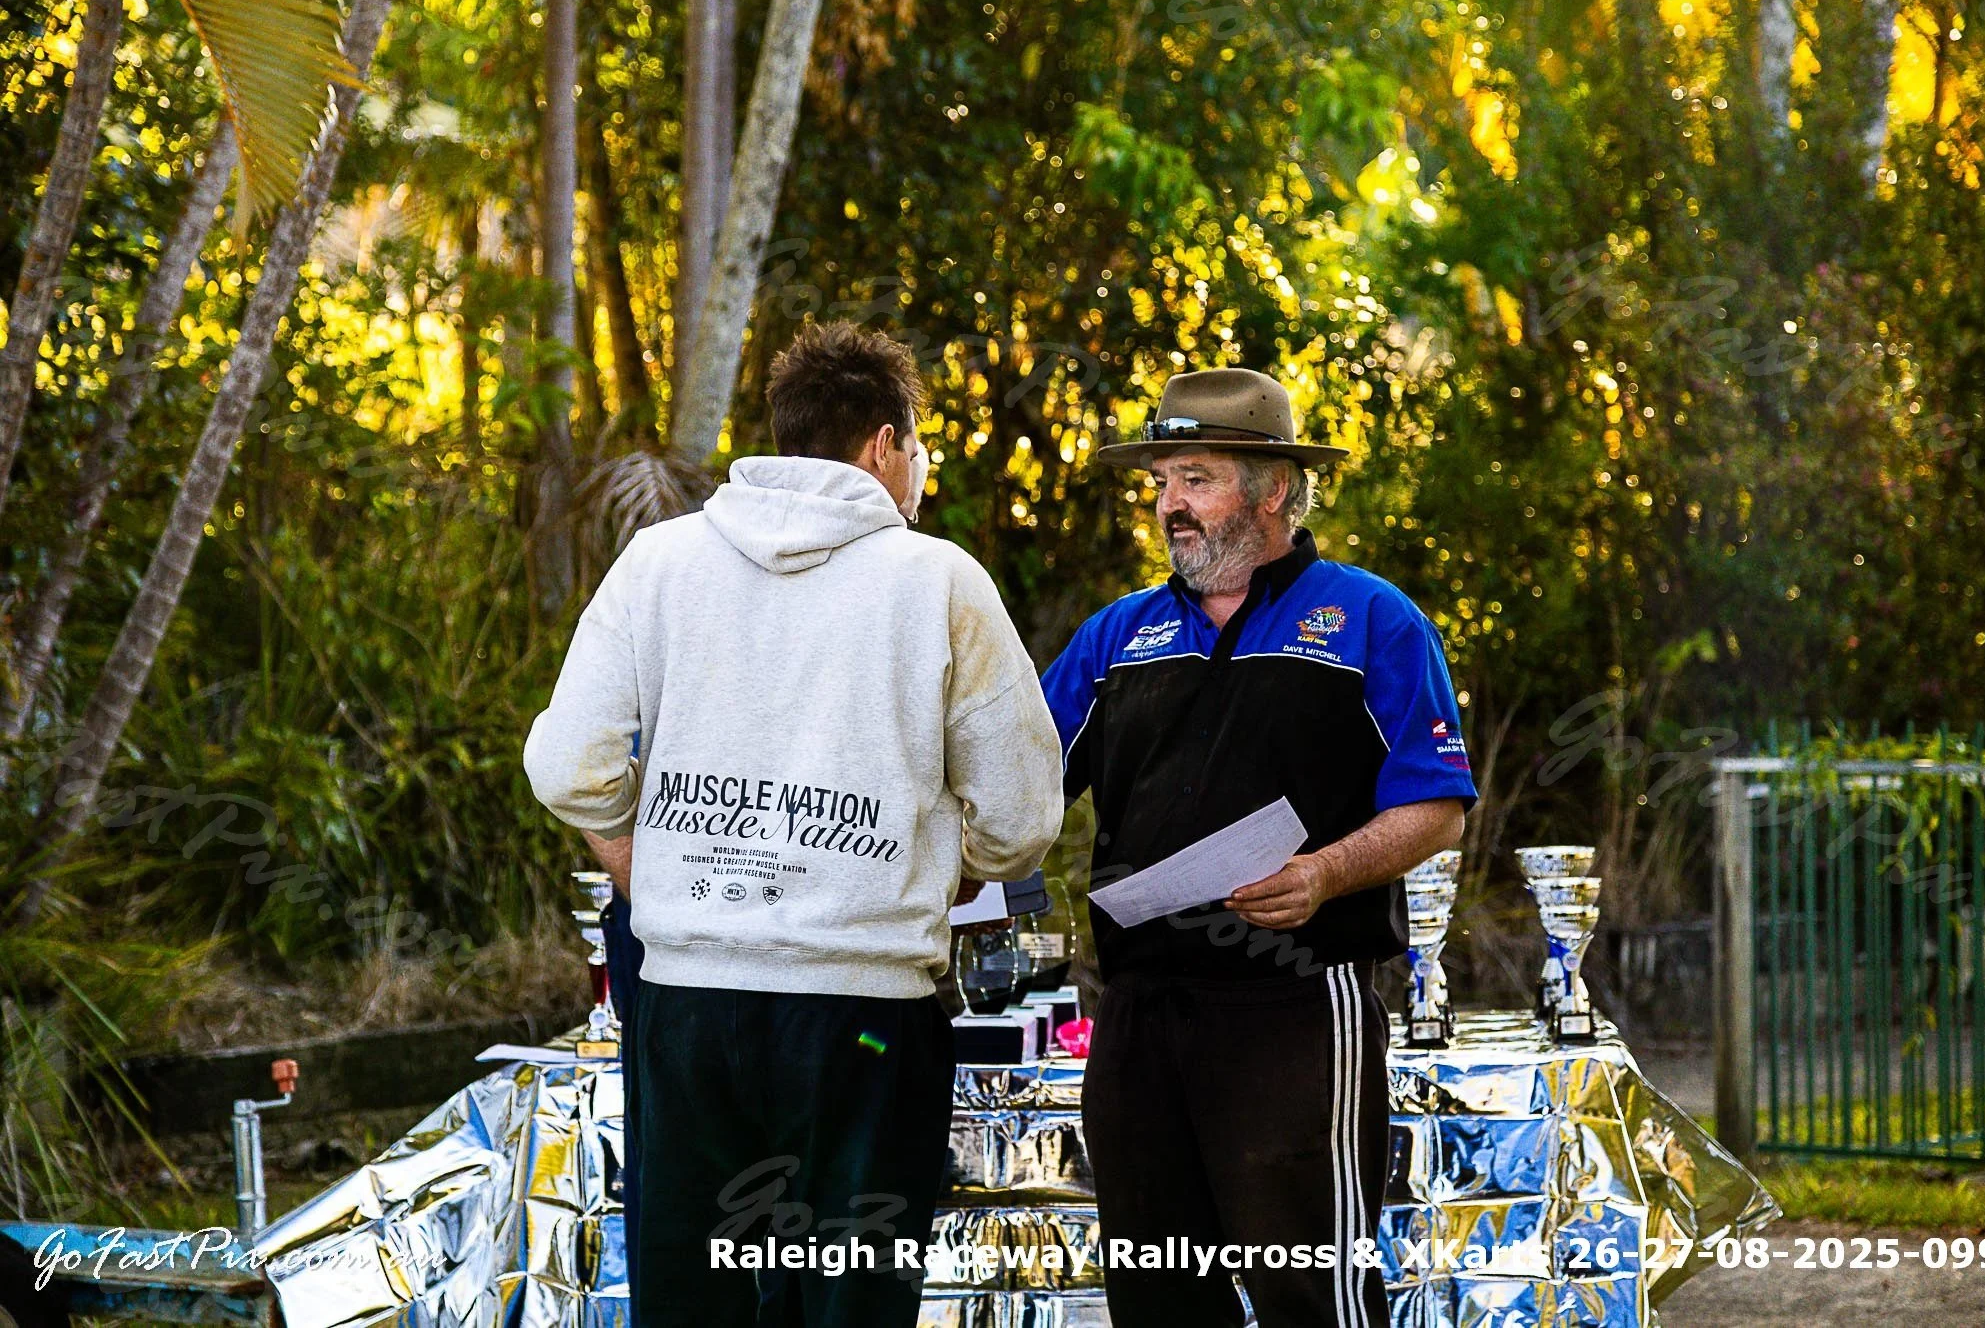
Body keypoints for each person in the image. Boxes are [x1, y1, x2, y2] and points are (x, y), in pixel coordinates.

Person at [524, 320, 1066, 1327]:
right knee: (847, 1306)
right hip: (860, 1017)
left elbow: (568, 766)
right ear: (881, 447)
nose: (923, 472)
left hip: (687, 1007)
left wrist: (647, 864)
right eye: (920, 448)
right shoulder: (937, 581)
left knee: (699, 1303)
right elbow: (1023, 814)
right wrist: (941, 872)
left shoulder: (659, 563)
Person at [1040, 367, 1476, 1327]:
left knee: (1307, 1295)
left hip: (1294, 1007)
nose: (1169, 506)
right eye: (1161, 482)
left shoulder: (1372, 619)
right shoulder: (1119, 634)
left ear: (1273, 486)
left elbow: (1439, 805)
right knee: (1156, 1299)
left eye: (1195, 477)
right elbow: (1020, 785)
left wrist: (1323, 872)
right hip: (1139, 1013)